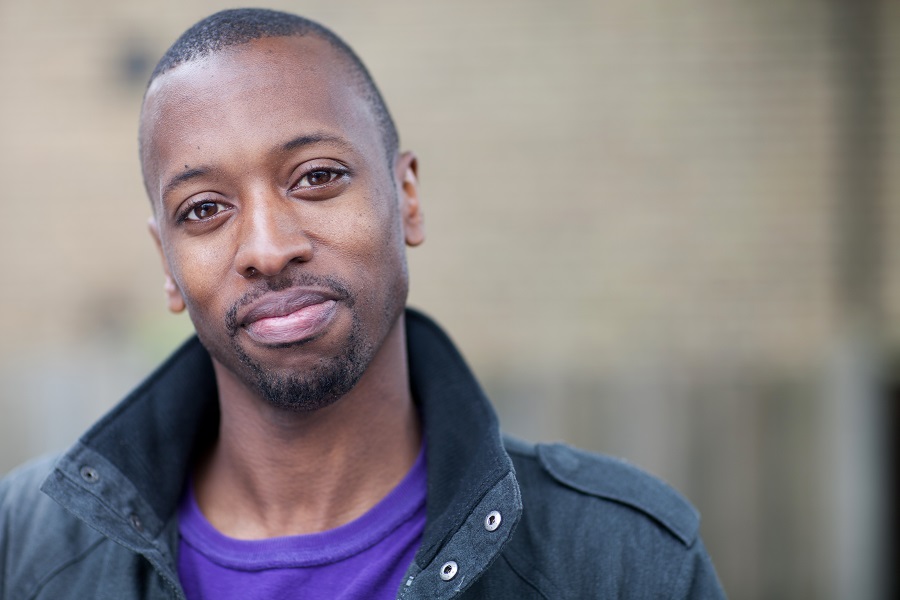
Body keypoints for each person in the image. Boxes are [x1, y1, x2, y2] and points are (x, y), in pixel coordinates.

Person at [0, 8, 725, 599]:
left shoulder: (621, 561)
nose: (268, 246)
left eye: (316, 177)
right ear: (166, 261)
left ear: (405, 196)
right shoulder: (24, 545)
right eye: (204, 210)